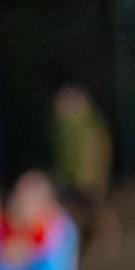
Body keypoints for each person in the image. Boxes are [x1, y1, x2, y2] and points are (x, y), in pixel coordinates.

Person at [52, 84, 118, 257]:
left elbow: (97, 150)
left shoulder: (88, 125)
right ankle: (80, 242)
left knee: (98, 209)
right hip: (74, 177)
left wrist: (93, 174)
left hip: (89, 177)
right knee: (75, 210)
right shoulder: (66, 127)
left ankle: (107, 242)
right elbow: (66, 154)